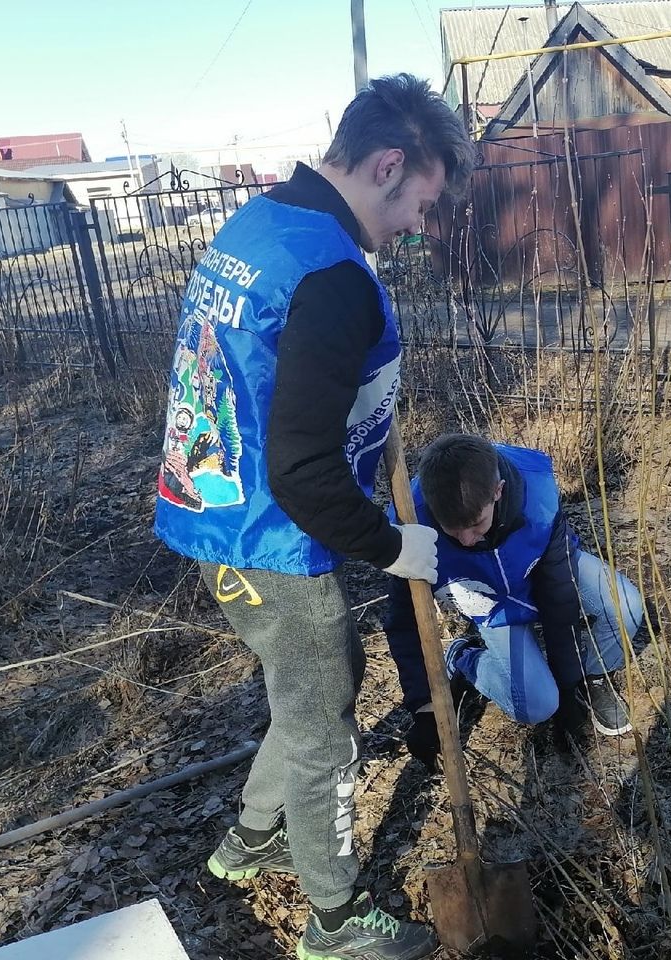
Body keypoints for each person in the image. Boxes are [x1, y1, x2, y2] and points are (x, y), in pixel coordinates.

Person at [153, 74, 473, 960]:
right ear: (388, 164)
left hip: (208, 511)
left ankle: (254, 837)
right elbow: (300, 469)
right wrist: (392, 545)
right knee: (324, 722)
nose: (418, 223)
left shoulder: (261, 225)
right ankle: (333, 920)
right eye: (421, 200)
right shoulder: (333, 276)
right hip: (270, 536)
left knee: (301, 693)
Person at [383, 434, 645, 767]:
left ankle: (590, 677)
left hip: (541, 569)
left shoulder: (538, 501)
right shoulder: (412, 522)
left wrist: (568, 690)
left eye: (476, 524)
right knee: (537, 705)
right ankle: (464, 658)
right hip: (490, 602)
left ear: (498, 491)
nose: (465, 540)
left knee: (626, 606)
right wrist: (422, 706)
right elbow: (403, 619)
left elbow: (558, 597)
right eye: (452, 529)